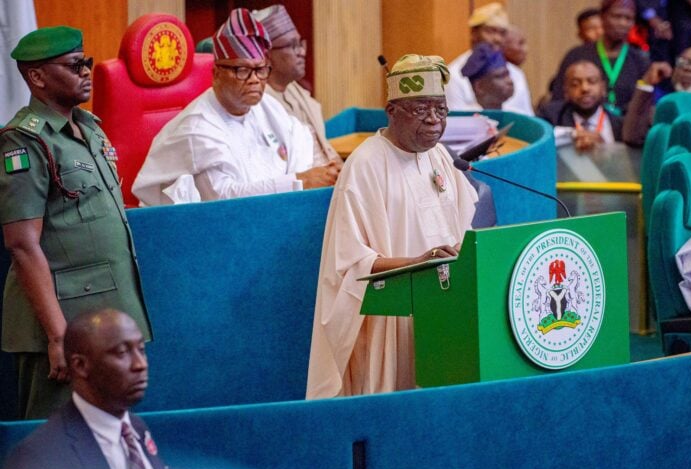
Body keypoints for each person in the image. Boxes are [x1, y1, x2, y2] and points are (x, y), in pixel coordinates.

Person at [0, 26, 152, 420]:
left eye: (86, 62)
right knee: (58, 444)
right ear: (37, 77)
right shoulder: (24, 142)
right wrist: (57, 334)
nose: (86, 71)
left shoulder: (90, 129)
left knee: (110, 435)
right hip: (66, 324)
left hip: (107, 317)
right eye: (73, 66)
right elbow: (21, 243)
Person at [306, 54, 478, 399]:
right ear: (392, 110)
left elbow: (464, 229)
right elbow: (349, 264)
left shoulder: (440, 156)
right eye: (420, 110)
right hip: (391, 318)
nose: (433, 121)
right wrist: (418, 262)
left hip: (442, 311)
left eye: (440, 110)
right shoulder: (366, 165)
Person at [131, 8, 339, 206]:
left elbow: (301, 145)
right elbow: (223, 197)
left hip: (274, 214)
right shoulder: (197, 126)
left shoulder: (266, 106)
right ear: (216, 74)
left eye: (260, 69)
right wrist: (299, 182)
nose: (254, 80)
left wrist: (327, 172)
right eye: (242, 70)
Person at [2, 309, 169, 469]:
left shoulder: (137, 429)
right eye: (121, 352)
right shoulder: (38, 457)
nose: (140, 365)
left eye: (141, 350)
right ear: (80, 365)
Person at [252, 5, 342, 167]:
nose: (302, 52)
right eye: (292, 45)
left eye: (301, 43)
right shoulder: (257, 101)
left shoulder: (296, 90)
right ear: (267, 55)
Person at [550, 0, 650, 116]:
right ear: (602, 17)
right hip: (582, 128)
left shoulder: (640, 60)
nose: (623, 23)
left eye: (628, 18)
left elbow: (644, 108)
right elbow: (558, 101)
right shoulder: (576, 56)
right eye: (616, 16)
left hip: (626, 129)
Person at [622, 46, 691, 146]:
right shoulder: (657, 112)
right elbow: (632, 137)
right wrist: (646, 84)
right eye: (681, 64)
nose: (686, 73)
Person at [446, 3, 532, 115]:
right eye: (490, 31)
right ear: (474, 33)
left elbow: (528, 119)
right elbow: (456, 122)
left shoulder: (516, 74)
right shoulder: (454, 75)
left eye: (502, 33)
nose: (497, 39)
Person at [539, 60, 623, 151]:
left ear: (603, 88)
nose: (585, 88)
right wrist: (573, 135)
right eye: (575, 84)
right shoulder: (551, 116)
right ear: (566, 91)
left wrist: (605, 148)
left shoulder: (620, 125)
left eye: (592, 81)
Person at [462, 42, 515, 110]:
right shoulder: (467, 119)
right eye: (500, 76)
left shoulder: (516, 115)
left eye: (507, 74)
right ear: (479, 86)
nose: (509, 81)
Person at [502, 25, 535, 115]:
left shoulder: (517, 73)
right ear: (503, 46)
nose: (526, 49)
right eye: (520, 43)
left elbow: (528, 114)